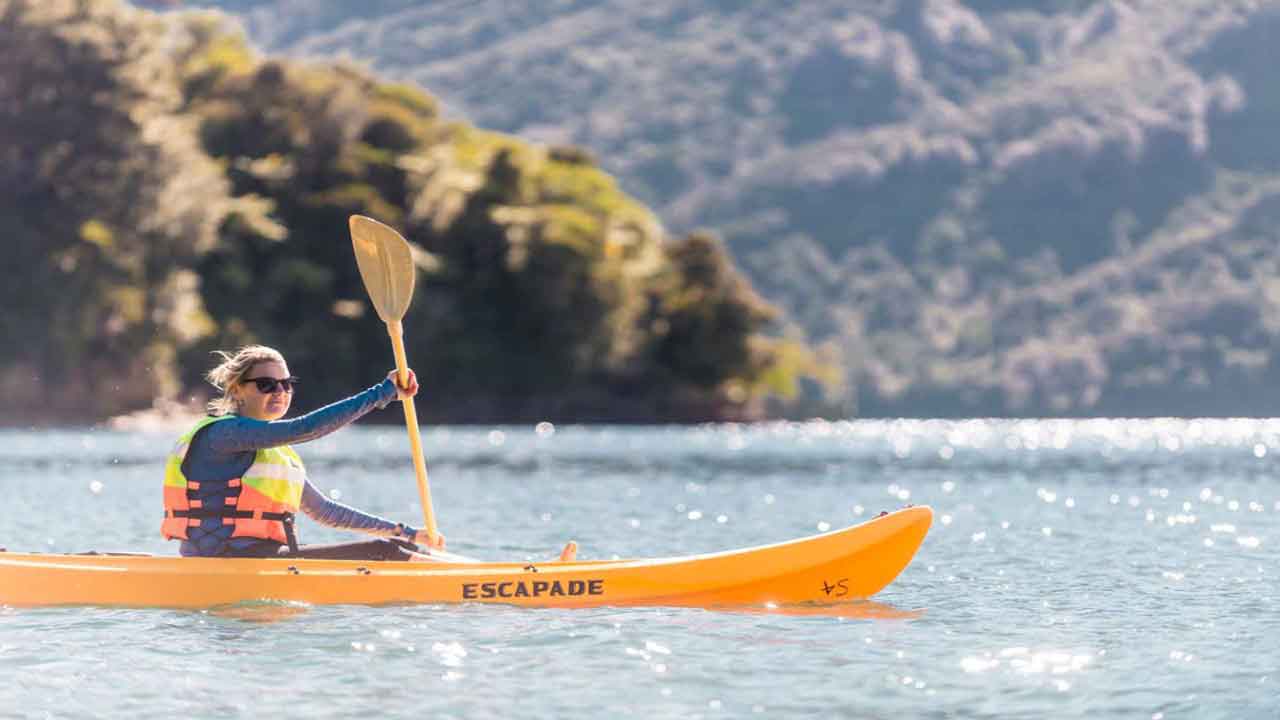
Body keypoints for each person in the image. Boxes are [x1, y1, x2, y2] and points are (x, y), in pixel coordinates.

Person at [162, 345, 445, 561]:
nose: (280, 392)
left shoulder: (276, 454)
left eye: (286, 384)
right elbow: (305, 428)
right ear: (237, 390)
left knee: (399, 546)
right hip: (225, 559)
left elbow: (325, 511)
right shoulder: (223, 434)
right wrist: (383, 393)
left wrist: (406, 532)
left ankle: (452, 573)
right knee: (383, 552)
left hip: (264, 557)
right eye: (266, 384)